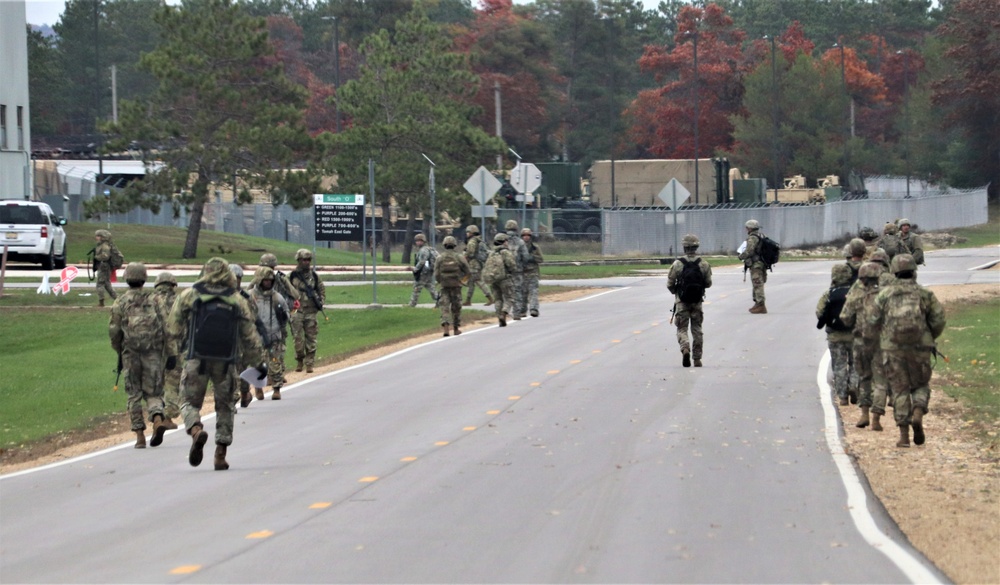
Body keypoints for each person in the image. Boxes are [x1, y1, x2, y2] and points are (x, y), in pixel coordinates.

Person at [166, 257, 265, 470]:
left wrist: (171, 354)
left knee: (188, 402)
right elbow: (250, 336)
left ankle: (195, 429)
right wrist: (258, 363)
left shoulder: (190, 295)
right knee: (226, 406)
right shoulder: (237, 299)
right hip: (226, 361)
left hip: (196, 358)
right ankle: (220, 454)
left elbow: (172, 328)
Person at [868, 254, 946, 448]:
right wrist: (929, 337)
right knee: (921, 383)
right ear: (914, 272)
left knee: (899, 388)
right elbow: (938, 319)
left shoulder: (885, 295)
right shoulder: (924, 294)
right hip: (920, 347)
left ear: (894, 272)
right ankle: (918, 410)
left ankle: (904, 435)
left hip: (892, 349)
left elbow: (872, 320)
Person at [108, 262, 170, 449]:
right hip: (152, 352)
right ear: (144, 278)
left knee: (133, 393)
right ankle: (157, 419)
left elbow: (114, 329)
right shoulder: (155, 300)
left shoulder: (120, 302)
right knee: (153, 392)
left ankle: (140, 436)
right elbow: (167, 325)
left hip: (130, 353)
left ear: (127, 278)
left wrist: (119, 348)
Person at [840, 262, 887, 430]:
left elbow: (845, 316)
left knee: (864, 378)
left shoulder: (855, 294)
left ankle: (864, 413)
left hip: (861, 341)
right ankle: (876, 418)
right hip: (881, 342)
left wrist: (855, 323)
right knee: (881, 381)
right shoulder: (885, 294)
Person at [667, 234, 713, 367]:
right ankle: (697, 359)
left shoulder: (677, 264)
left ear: (684, 247)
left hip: (682, 302)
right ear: (696, 246)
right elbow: (708, 283)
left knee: (682, 328)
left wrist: (677, 292)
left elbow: (670, 283)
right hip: (697, 302)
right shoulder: (703, 264)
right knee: (697, 329)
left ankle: (685, 347)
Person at [816, 264, 855, 405]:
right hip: (855, 334)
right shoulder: (856, 293)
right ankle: (854, 386)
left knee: (839, 365)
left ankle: (843, 396)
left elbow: (819, 312)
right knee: (855, 363)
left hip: (835, 335)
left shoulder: (829, 294)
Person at [250, 266, 290, 400]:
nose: (268, 283)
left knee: (275, 362)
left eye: (270, 280)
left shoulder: (277, 297)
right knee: (258, 363)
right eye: (265, 280)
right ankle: (258, 387)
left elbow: (287, 313)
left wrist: (283, 317)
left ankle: (276, 388)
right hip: (256, 337)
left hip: (274, 335)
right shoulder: (251, 296)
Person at [289, 249, 326, 373]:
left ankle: (309, 362)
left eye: (308, 260)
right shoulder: (292, 276)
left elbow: (321, 290)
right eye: (304, 260)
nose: (306, 262)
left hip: (310, 311)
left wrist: (320, 302)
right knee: (297, 339)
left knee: (311, 338)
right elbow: (285, 292)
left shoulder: (314, 277)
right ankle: (299, 359)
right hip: (296, 310)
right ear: (299, 260)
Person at [152, 271, 180, 429]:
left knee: (157, 381)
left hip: (154, 348)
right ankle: (168, 417)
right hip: (175, 346)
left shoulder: (151, 300)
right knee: (172, 381)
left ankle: (157, 414)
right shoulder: (178, 300)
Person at [434, 236, 471, 336]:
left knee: (444, 307)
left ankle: (446, 328)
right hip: (456, 286)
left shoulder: (440, 258)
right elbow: (468, 271)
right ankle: (456, 328)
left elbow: (436, 273)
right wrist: (462, 281)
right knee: (456, 307)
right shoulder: (459, 257)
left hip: (444, 286)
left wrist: (440, 281)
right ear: (454, 245)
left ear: (444, 244)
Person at [483, 232, 517, 327]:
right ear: (504, 241)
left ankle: (499, 317)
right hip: (505, 279)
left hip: (493, 280)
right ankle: (504, 313)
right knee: (509, 298)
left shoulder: (491, 253)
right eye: (506, 241)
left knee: (498, 299)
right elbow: (512, 265)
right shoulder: (505, 252)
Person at [738, 219, 768, 313]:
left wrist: (741, 256)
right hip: (762, 263)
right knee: (758, 283)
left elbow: (749, 251)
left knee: (757, 283)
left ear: (750, 228)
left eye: (747, 228)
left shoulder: (753, 238)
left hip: (756, 264)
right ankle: (757, 303)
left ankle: (760, 305)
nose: (746, 229)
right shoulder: (761, 235)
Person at [504, 219, 532, 320]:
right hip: (517, 271)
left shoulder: (502, 240)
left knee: (506, 292)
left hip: (505, 271)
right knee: (518, 292)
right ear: (516, 229)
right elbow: (525, 257)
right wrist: (522, 266)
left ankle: (505, 310)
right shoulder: (520, 242)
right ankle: (516, 313)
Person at [462, 225, 494, 307]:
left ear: (472, 233)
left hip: (474, 264)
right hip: (477, 264)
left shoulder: (472, 241)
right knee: (471, 282)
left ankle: (490, 298)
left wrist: (464, 257)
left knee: (478, 281)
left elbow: (470, 253)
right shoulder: (479, 240)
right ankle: (468, 300)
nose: (467, 234)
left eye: (468, 232)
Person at [92, 229, 122, 307]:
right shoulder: (102, 245)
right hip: (104, 266)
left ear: (103, 237)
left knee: (100, 284)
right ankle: (118, 300)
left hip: (104, 266)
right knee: (107, 284)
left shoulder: (104, 246)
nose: (96, 238)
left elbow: (105, 257)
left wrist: (96, 257)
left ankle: (101, 302)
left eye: (98, 236)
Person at [409, 233, 439, 307]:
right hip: (428, 271)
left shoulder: (423, 250)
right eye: (417, 241)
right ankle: (439, 300)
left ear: (423, 241)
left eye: (420, 241)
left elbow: (422, 261)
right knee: (430, 287)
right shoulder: (428, 249)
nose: (418, 242)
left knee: (417, 288)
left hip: (423, 272)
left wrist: (415, 269)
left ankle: (412, 304)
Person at [520, 228, 544, 317]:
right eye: (524, 235)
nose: (526, 237)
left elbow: (541, 259)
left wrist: (532, 258)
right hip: (521, 273)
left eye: (528, 235)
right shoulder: (518, 247)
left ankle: (534, 309)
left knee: (533, 292)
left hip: (533, 273)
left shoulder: (535, 247)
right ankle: (522, 310)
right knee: (523, 293)